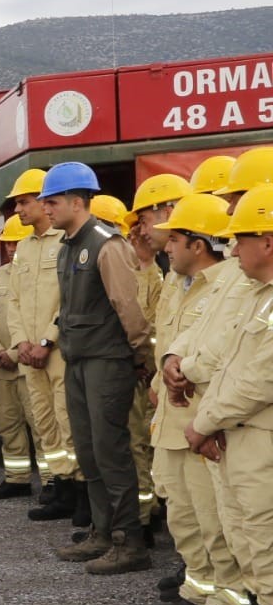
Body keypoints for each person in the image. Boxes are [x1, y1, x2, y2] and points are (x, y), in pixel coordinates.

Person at [184, 183, 273, 605]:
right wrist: (210, 420)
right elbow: (230, 369)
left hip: (261, 447)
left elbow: (257, 379)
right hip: (244, 443)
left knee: (269, 554)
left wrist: (206, 420)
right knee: (258, 556)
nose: (232, 249)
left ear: (268, 239)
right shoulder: (259, 298)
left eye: (240, 238)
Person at [41, 162, 151, 575]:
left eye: (51, 202)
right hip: (79, 358)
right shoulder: (69, 245)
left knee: (111, 452)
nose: (46, 209)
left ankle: (129, 541)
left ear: (76, 201)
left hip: (107, 360)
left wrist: (141, 357)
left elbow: (129, 309)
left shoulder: (107, 244)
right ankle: (103, 533)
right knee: (88, 452)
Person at [146, 192, 244, 605]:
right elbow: (168, 342)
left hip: (201, 419)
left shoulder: (228, 285)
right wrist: (161, 376)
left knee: (213, 516)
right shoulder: (180, 283)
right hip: (172, 418)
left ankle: (231, 600)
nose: (166, 246)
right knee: (182, 511)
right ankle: (199, 586)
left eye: (174, 239)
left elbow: (221, 352)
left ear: (197, 245)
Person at [7, 169, 81, 523]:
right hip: (29, 353)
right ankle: (59, 487)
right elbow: (14, 301)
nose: (18, 209)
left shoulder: (64, 242)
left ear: (43, 200)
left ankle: (79, 492)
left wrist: (45, 341)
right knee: (44, 422)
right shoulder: (22, 249)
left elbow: (68, 300)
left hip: (56, 352)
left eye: (24, 201)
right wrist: (21, 341)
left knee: (67, 421)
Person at [126, 175, 191, 530]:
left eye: (145, 220)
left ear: (168, 209)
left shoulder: (205, 271)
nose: (140, 230)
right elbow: (151, 319)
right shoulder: (169, 271)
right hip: (163, 386)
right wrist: (145, 264)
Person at [0, 217, 36, 500]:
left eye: (16, 242)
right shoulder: (0, 275)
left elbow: (37, 319)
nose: (11, 248)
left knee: (40, 426)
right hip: (1, 365)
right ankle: (17, 479)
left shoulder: (36, 275)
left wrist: (15, 353)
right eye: (7, 243)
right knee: (8, 423)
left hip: (28, 364)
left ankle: (54, 481)